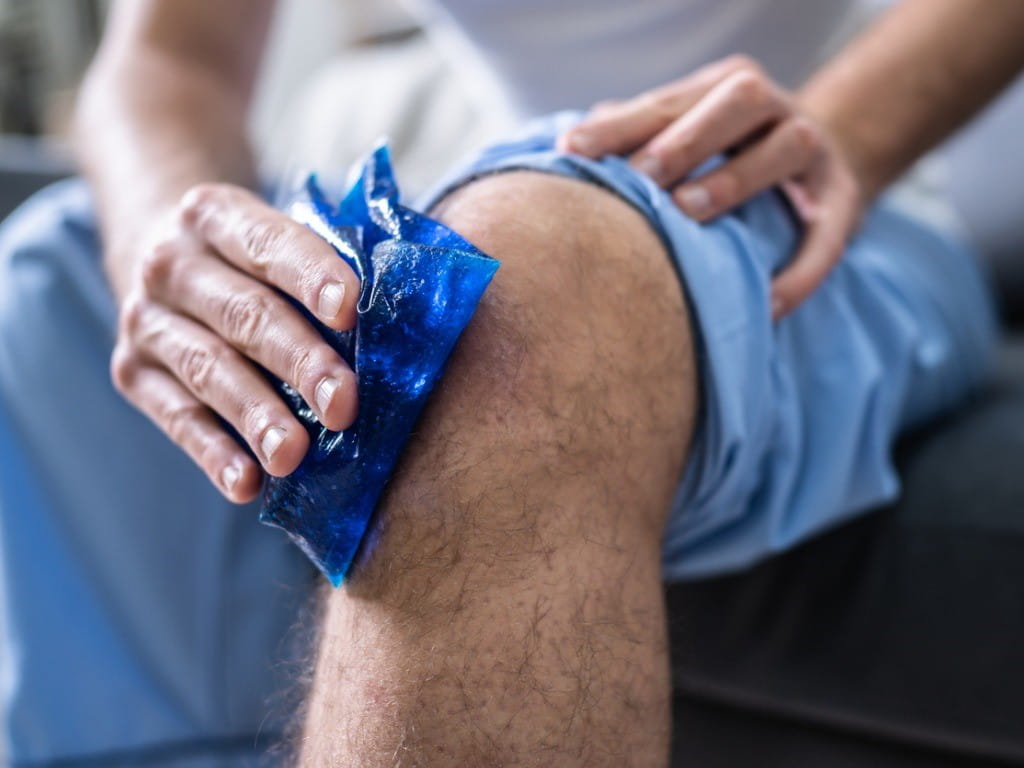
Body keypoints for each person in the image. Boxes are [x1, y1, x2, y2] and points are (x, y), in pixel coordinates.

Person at [0, 0, 1022, 764]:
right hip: (486, 160)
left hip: (829, 186)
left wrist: (826, 133)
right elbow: (170, 57)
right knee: (53, 277)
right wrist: (173, 252)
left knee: (500, 323)